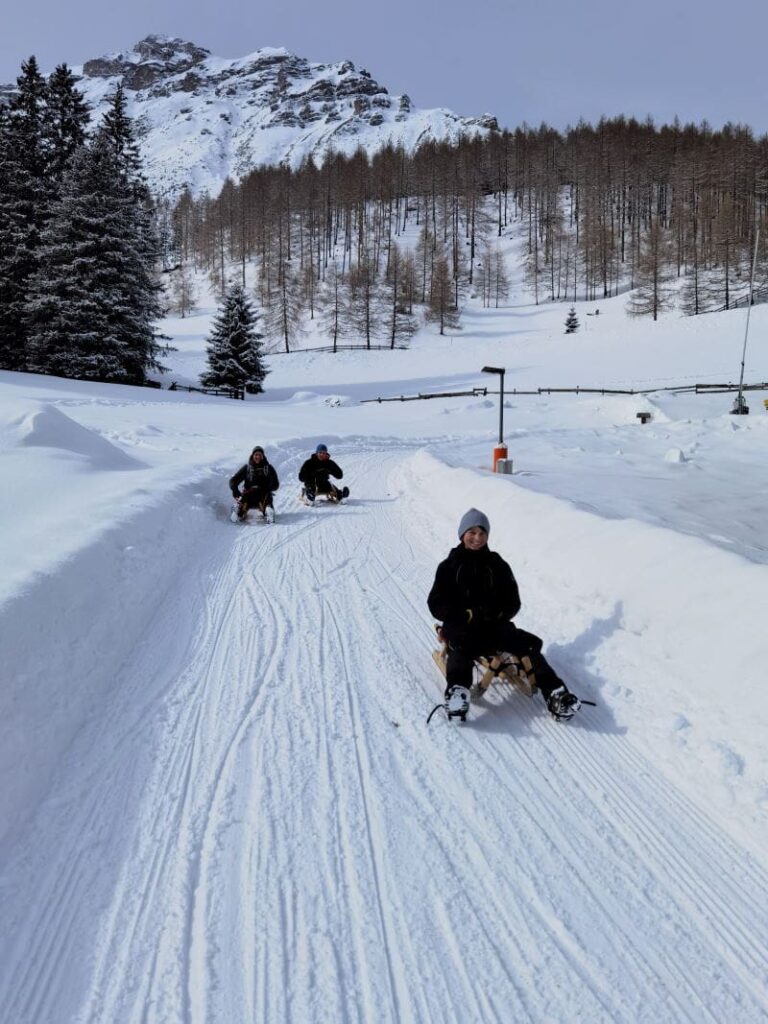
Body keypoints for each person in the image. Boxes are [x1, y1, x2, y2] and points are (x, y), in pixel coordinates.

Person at [427, 508, 582, 720]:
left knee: (527, 647)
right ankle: (457, 693)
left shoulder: (496, 565)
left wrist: (496, 612)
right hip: (463, 627)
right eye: (471, 532)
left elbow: (513, 601)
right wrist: (462, 615)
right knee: (459, 649)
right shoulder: (449, 566)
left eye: (482, 533)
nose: (477, 538)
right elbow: (435, 602)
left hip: (494, 625)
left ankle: (556, 693)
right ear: (462, 534)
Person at [229, 446, 279, 522]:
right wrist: (235, 491)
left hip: (262, 495)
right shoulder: (247, 468)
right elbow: (233, 480)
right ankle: (237, 511)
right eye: (256, 455)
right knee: (243, 501)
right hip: (249, 495)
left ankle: (269, 511)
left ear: (263, 456)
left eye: (260, 455)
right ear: (252, 455)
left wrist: (268, 488)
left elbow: (276, 484)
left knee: (267, 498)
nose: (258, 457)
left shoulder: (268, 468)